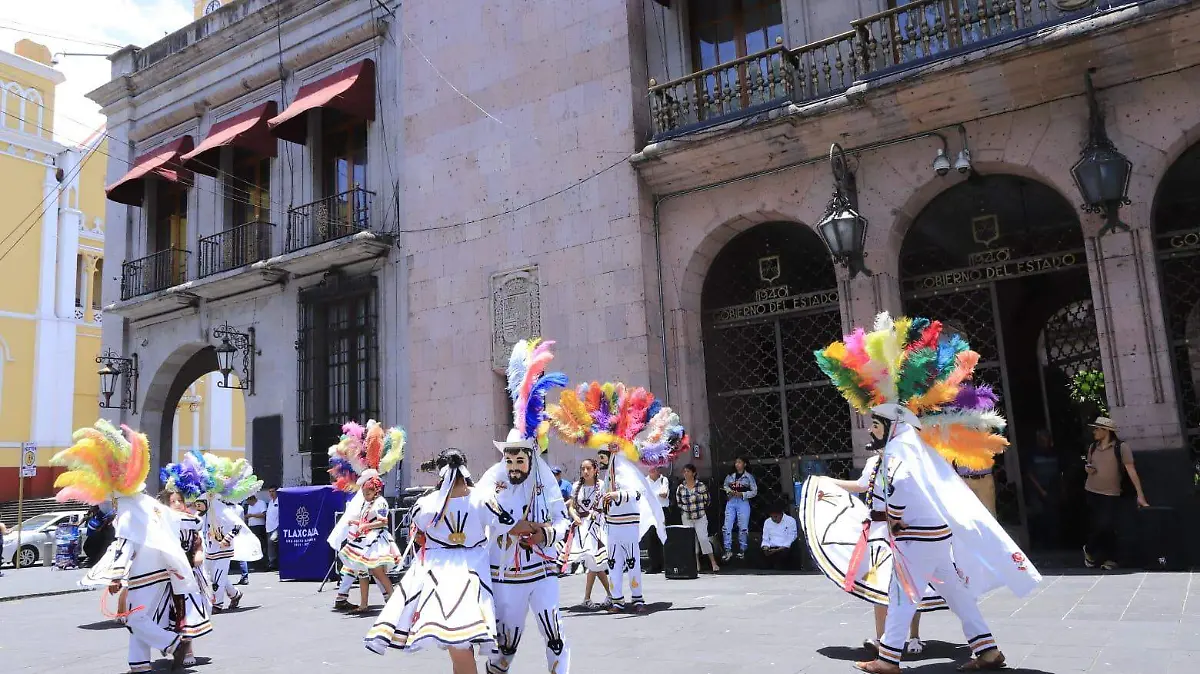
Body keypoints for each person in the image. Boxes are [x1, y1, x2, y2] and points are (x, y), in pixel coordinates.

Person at [811, 311, 1041, 673]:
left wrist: (892, 514)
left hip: (916, 538)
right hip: (933, 536)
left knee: (902, 596)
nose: (871, 431)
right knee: (957, 596)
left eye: (874, 424)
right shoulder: (911, 445)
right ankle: (989, 651)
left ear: (889, 424)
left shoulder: (900, 450)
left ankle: (888, 660)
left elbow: (899, 487)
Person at [51, 420, 199, 673]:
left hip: (144, 575)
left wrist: (116, 575)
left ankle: (174, 644)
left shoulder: (129, 511)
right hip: (163, 572)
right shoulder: (148, 504)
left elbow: (124, 545)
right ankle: (139, 665)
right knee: (140, 620)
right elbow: (183, 520)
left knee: (135, 619)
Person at [364, 448, 516, 674]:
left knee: (458, 641)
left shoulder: (427, 503)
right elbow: (507, 522)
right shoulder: (482, 498)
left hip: (440, 573)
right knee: (461, 640)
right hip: (473, 569)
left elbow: (419, 533)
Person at [483, 339, 572, 674]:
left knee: (555, 637)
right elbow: (481, 508)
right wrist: (511, 524)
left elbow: (563, 521)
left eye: (520, 456)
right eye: (509, 456)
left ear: (530, 455)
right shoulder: (493, 477)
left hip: (542, 570)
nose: (514, 463)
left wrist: (544, 533)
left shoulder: (544, 476)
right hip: (505, 573)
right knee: (505, 647)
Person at [328, 420, 406, 612]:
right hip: (361, 538)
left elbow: (380, 520)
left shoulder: (376, 502)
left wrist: (362, 527)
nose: (364, 491)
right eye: (364, 489)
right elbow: (360, 517)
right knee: (364, 568)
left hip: (372, 540)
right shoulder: (364, 500)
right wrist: (357, 526)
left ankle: (390, 600)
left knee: (374, 569)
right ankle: (370, 600)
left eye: (368, 489)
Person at [158, 462, 214, 670]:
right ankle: (170, 643)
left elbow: (198, 544)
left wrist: (198, 555)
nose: (177, 504)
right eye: (173, 501)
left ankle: (188, 649)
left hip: (189, 573)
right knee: (168, 612)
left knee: (188, 611)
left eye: (179, 500)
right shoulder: (161, 524)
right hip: (166, 575)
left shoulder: (192, 521)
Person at [196, 453, 263, 613]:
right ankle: (235, 594)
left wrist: (228, 538)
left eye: (200, 503)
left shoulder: (220, 509)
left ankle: (217, 604)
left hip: (223, 549)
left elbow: (237, 525)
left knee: (218, 577)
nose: (198, 506)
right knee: (212, 576)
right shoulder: (203, 513)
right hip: (210, 549)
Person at [1083, 416, 1148, 570]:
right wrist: (1088, 469)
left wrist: (1140, 495)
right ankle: (1101, 555)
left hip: (1112, 493)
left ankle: (1098, 553)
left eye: (1097, 429)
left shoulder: (1121, 448)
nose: (1094, 431)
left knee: (1107, 525)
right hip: (1092, 490)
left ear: (1106, 431)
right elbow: (1089, 465)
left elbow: (1131, 471)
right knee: (1099, 526)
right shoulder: (1093, 447)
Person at [566, 458, 613, 608]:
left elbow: (608, 505)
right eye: (583, 469)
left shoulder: (602, 485)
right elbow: (572, 507)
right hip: (583, 527)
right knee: (594, 563)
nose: (585, 472)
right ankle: (609, 595)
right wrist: (575, 517)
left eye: (588, 469)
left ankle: (591, 597)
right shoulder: (576, 487)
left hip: (598, 526)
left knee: (595, 562)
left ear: (595, 470)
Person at [676, 464, 719, 572]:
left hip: (700, 516)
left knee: (703, 539)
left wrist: (699, 509)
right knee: (691, 541)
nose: (686, 474)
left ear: (693, 473)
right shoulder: (681, 487)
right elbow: (679, 502)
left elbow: (707, 501)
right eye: (684, 471)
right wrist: (686, 510)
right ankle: (696, 564)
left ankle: (713, 562)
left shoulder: (701, 486)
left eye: (688, 471)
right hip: (687, 517)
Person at [1025, 430, 1062, 550]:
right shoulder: (1033, 454)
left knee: (1053, 516)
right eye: (1041, 438)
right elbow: (1030, 474)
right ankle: (1041, 544)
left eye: (1045, 438)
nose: (1043, 441)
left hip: (1053, 489)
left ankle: (1053, 543)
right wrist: (1041, 490)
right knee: (1039, 516)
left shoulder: (1054, 453)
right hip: (1038, 490)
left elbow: (1060, 472)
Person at [721, 456, 757, 562]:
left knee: (743, 527)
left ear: (744, 464)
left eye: (739, 462)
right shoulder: (730, 476)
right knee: (727, 526)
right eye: (736, 462)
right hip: (731, 501)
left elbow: (754, 491)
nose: (737, 464)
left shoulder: (748, 477)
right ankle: (728, 550)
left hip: (743, 501)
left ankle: (743, 550)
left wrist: (742, 494)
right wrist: (729, 491)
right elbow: (725, 485)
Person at [641, 465, 670, 574]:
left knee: (663, 537)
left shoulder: (663, 479)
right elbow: (643, 495)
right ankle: (654, 565)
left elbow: (664, 494)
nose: (652, 471)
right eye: (650, 469)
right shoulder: (645, 480)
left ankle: (666, 564)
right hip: (650, 511)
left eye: (654, 469)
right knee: (651, 538)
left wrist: (652, 495)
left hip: (662, 510)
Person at [760, 502, 798, 570]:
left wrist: (777, 550)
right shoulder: (767, 522)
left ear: (781, 514)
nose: (774, 519)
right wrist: (765, 548)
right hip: (771, 548)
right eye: (772, 517)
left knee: (783, 556)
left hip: (785, 548)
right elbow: (765, 539)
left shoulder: (790, 521)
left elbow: (791, 539)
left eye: (775, 517)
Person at [244, 493, 268, 571]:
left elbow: (263, 514)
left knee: (261, 545)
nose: (249, 504)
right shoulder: (248, 506)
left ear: (252, 499)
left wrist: (252, 515)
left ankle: (264, 565)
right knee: (253, 546)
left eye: (249, 502)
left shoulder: (261, 503)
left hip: (259, 527)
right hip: (251, 527)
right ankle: (255, 564)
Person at [264, 485, 280, 571]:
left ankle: (273, 562)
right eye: (270, 491)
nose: (271, 493)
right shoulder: (270, 502)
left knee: (272, 543)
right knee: (270, 546)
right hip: (268, 527)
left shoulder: (280, 501)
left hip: (276, 527)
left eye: (273, 491)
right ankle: (272, 563)